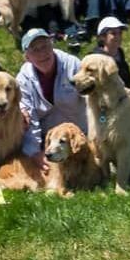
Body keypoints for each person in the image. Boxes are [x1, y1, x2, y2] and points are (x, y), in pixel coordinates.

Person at [17, 28, 86, 170]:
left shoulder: (72, 65)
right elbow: (30, 120)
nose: (42, 53)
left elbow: (93, 100)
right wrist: (35, 153)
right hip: (49, 141)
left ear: (52, 46)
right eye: (35, 49)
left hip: (80, 136)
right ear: (27, 57)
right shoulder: (23, 80)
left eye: (45, 46)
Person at [91, 16, 130, 84]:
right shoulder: (95, 59)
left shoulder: (120, 54)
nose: (118, 37)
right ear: (102, 37)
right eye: (113, 33)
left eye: (120, 33)